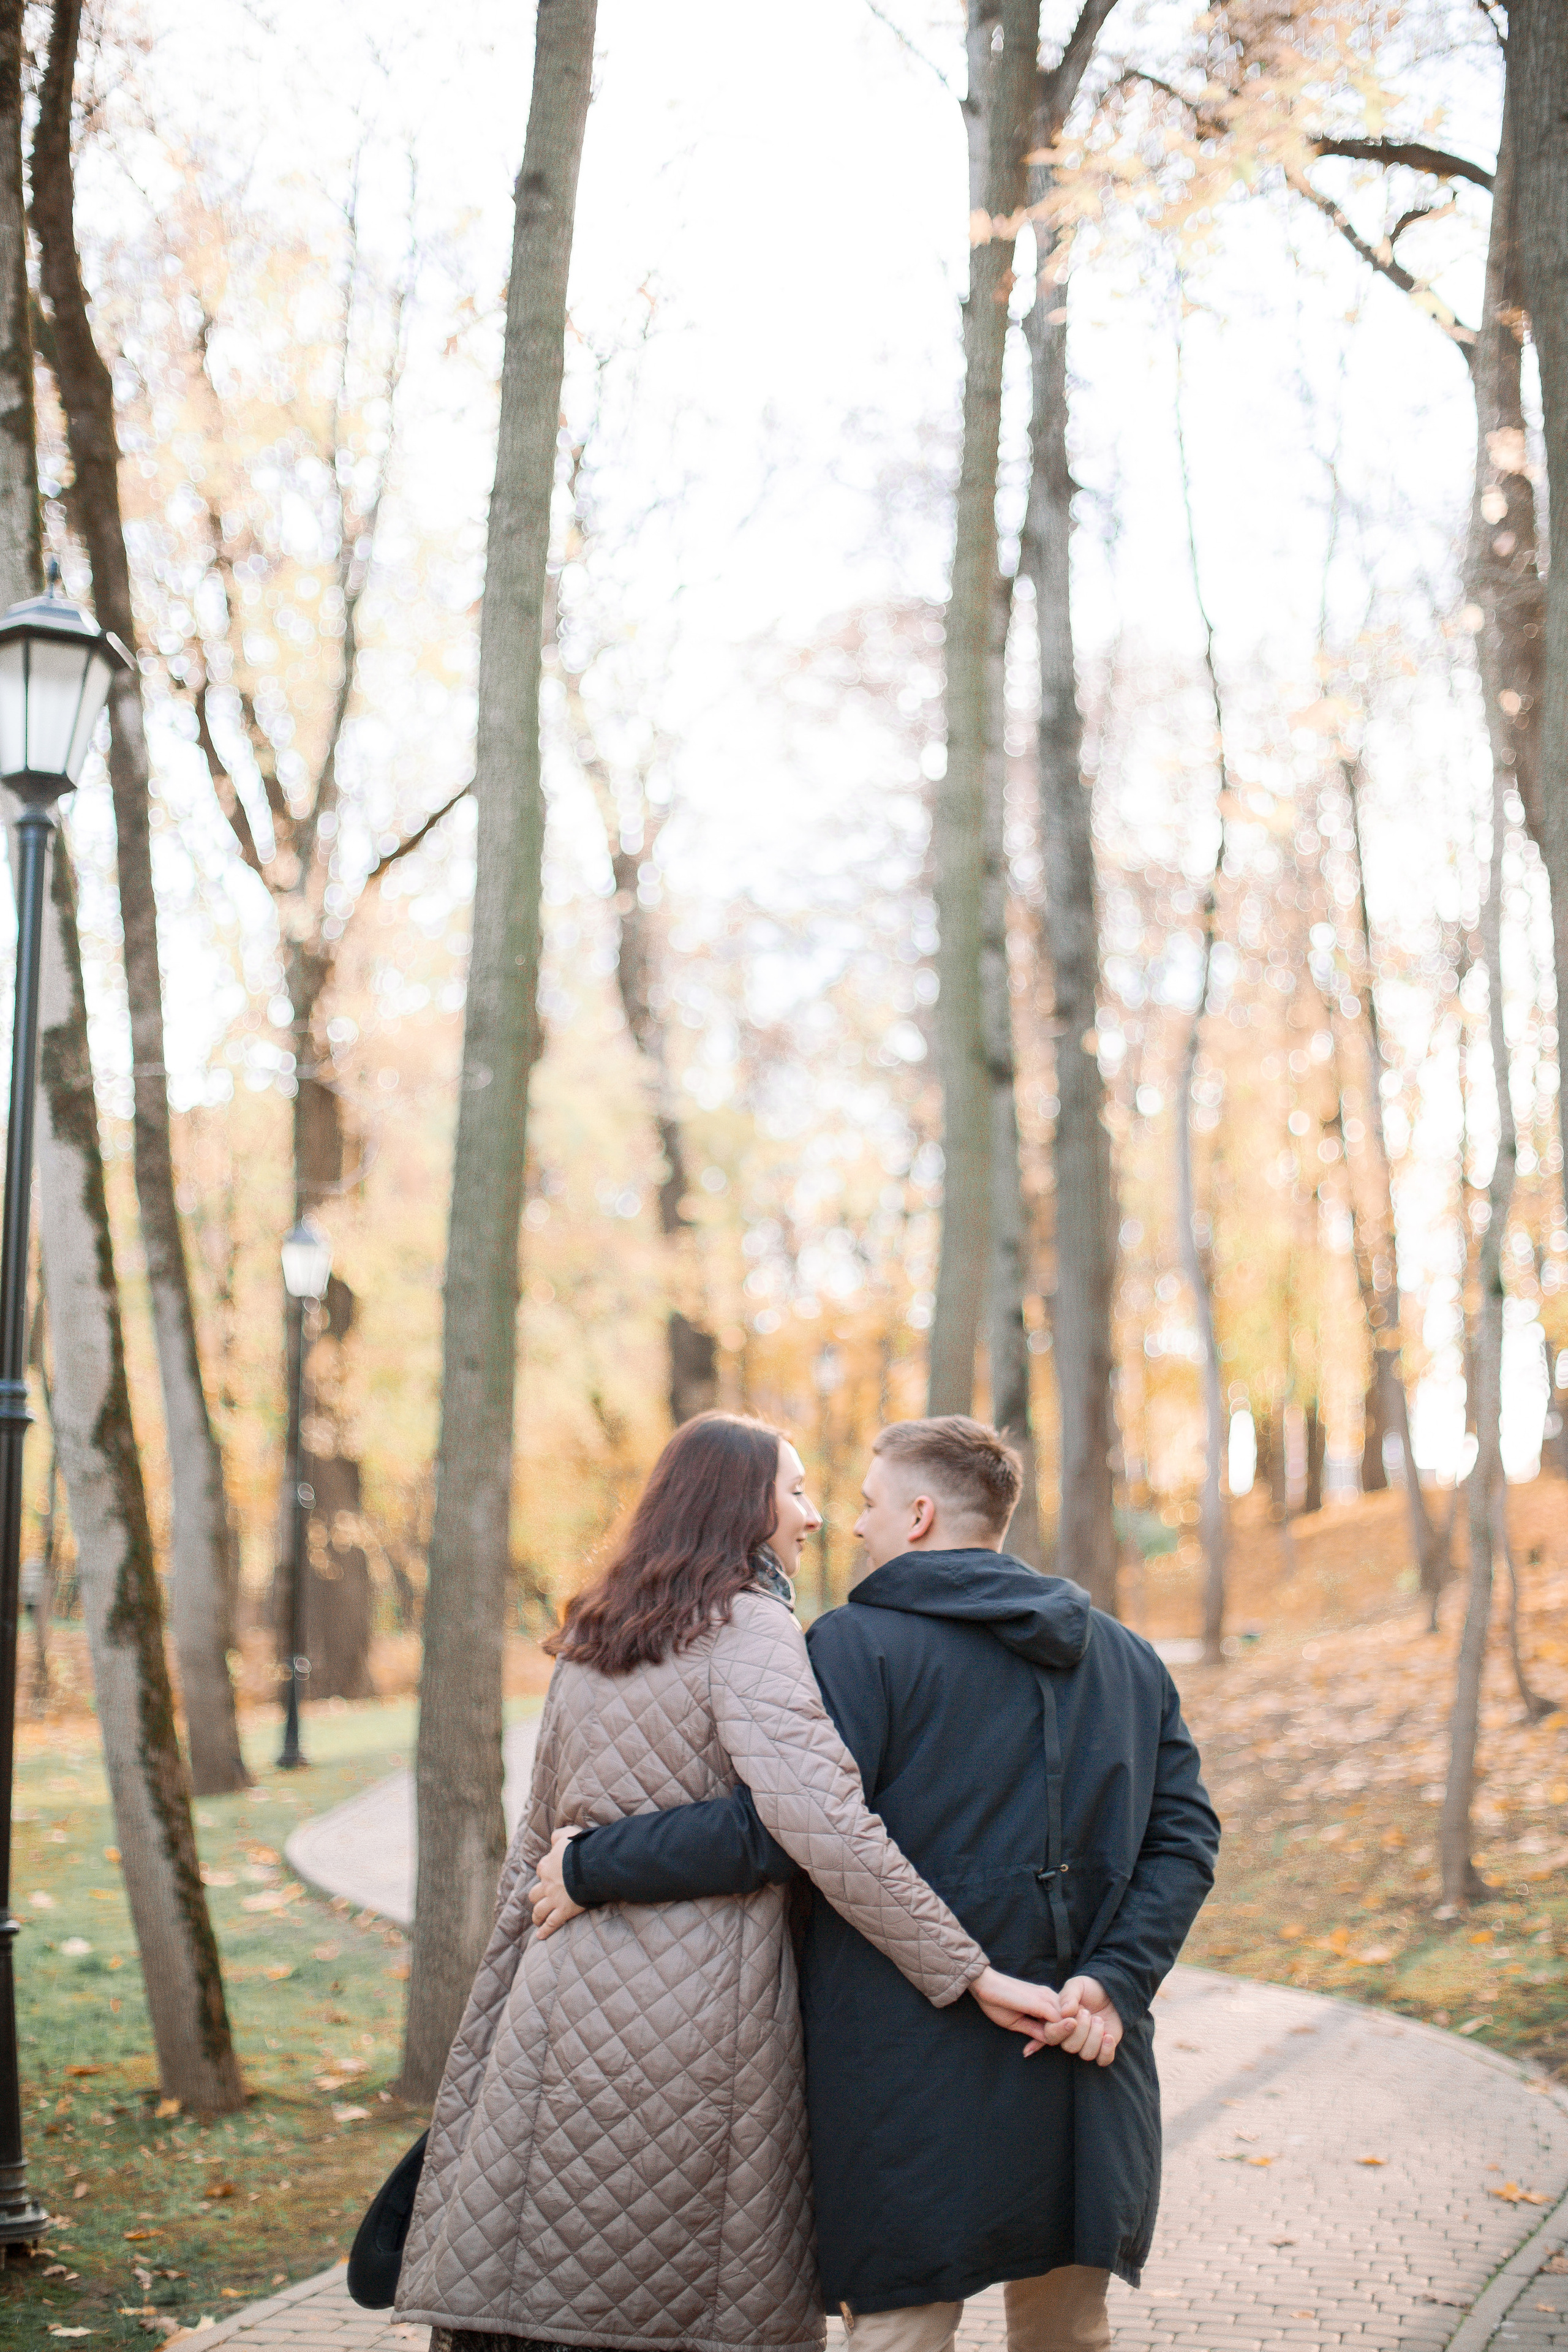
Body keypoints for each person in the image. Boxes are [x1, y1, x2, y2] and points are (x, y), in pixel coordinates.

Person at [530, 1416, 1220, 2352]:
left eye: (865, 1503)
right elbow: (1186, 1840)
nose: (850, 1526)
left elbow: (781, 1830)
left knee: (897, 2336)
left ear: (922, 1514)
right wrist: (1115, 1979)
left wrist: (589, 1863)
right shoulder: (1130, 1658)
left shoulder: (858, 1645)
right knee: (1068, 2336)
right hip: (1079, 2051)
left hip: (905, 2066)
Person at [396, 1412, 1064, 2352]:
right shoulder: (750, 1626)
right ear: (739, 1505)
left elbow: (534, 1853)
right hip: (691, 2024)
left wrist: (489, 2031)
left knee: (533, 2296)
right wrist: (968, 1971)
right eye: (796, 1491)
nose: (816, 1516)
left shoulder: (597, 1629)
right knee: (671, 2306)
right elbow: (824, 1825)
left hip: (554, 2008)